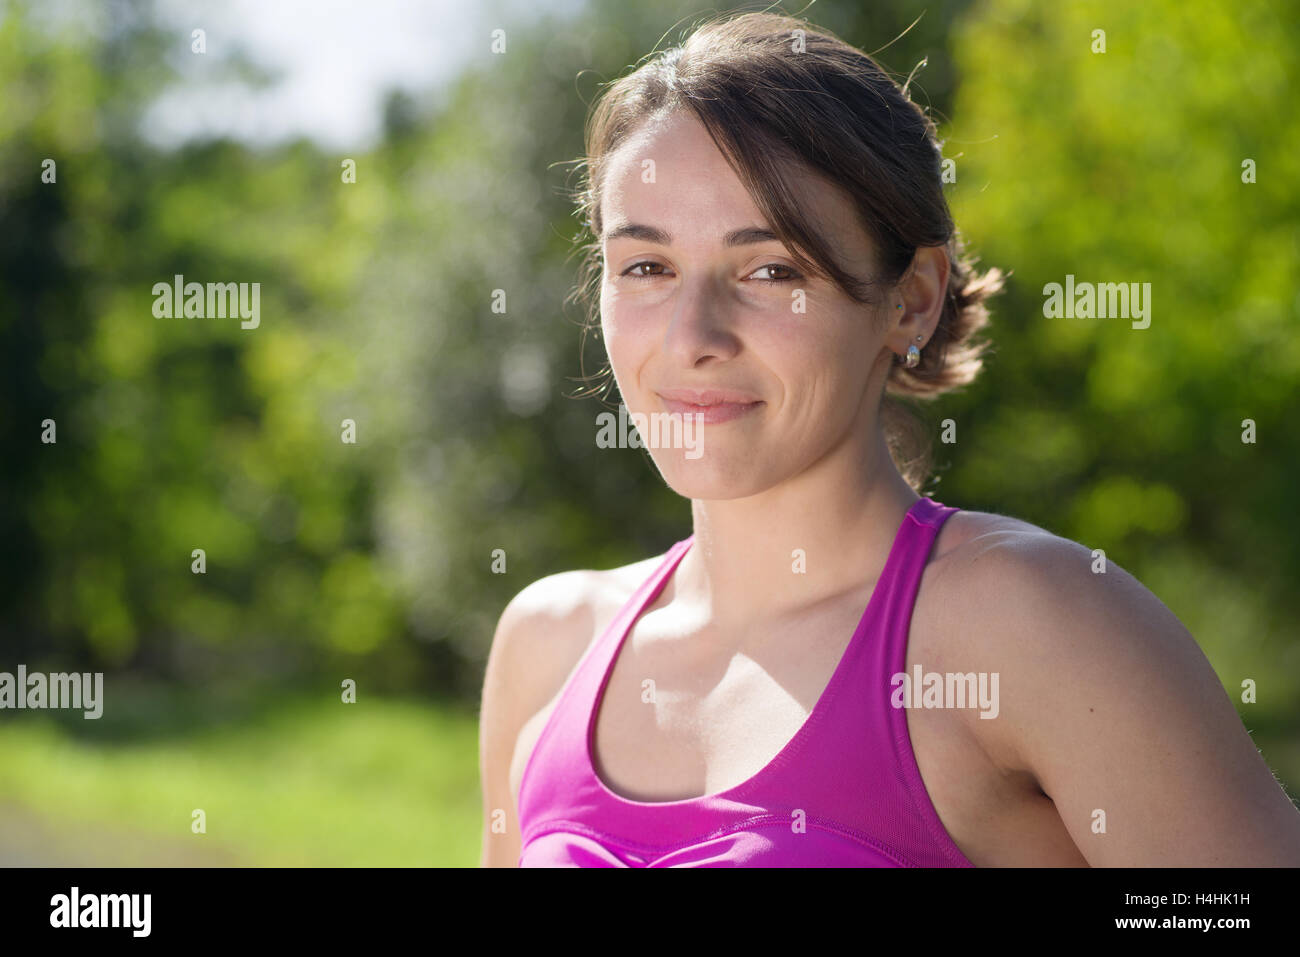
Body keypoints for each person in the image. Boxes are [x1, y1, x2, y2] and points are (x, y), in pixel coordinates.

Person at [478, 11, 1300, 866]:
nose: (693, 336)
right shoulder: (547, 643)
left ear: (910, 299)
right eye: (646, 267)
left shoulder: (1029, 620)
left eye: (771, 270)